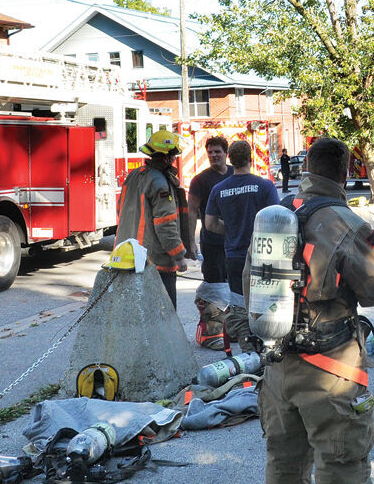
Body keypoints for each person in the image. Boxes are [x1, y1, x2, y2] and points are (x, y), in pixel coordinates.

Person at [258, 137, 374, 484]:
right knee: (341, 463)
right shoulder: (347, 223)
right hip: (330, 369)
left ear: (307, 168)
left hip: (277, 364)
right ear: (343, 172)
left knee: (283, 455)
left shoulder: (274, 215)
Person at [205, 140, 280, 350]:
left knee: (239, 305)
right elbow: (276, 218)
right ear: (251, 158)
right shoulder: (265, 186)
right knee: (266, 304)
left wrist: (230, 229)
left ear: (230, 159)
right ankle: (269, 345)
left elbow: (210, 223)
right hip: (263, 255)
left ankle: (248, 352)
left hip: (235, 256)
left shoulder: (219, 189)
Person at [114, 129, 194, 309]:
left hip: (128, 255)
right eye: (173, 155)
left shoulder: (134, 175)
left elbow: (121, 209)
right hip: (154, 261)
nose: (175, 159)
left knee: (137, 312)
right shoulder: (160, 183)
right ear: (166, 158)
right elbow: (165, 224)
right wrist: (179, 256)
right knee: (163, 314)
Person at [187, 136, 233, 349]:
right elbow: (192, 211)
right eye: (211, 152)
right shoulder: (200, 180)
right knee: (215, 286)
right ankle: (214, 333)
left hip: (235, 243)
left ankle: (233, 329)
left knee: (235, 286)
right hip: (212, 243)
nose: (214, 155)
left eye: (218, 152)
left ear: (226, 153)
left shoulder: (235, 174)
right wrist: (191, 242)